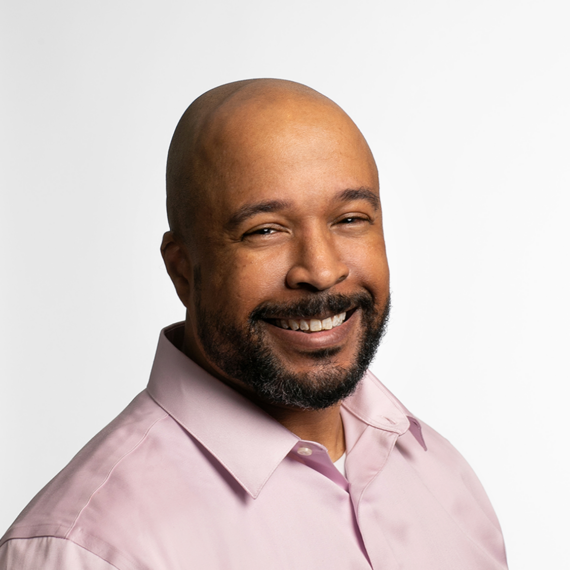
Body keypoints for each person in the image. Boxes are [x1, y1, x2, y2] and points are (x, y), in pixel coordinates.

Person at [0, 79, 509, 569]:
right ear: (182, 268)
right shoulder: (90, 550)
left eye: (350, 219)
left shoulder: (441, 477)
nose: (322, 270)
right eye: (265, 230)